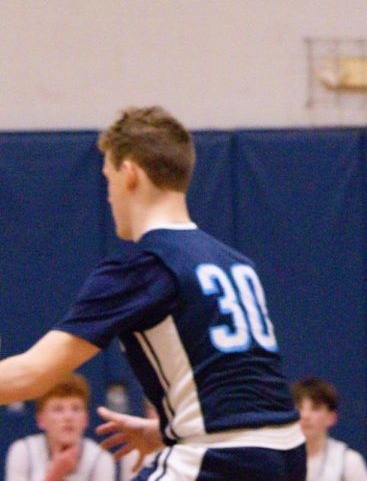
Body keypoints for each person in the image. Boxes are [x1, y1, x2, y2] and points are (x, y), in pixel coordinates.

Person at [0, 106, 305, 480]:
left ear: (129, 174)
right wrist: (167, 430)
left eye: (108, 180)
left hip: (219, 458)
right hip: (286, 452)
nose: (109, 197)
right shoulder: (234, 261)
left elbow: (31, 375)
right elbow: (241, 388)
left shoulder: (146, 266)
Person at [5, 374, 116, 481]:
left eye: (76, 409)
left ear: (85, 419)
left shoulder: (100, 459)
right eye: (58, 409)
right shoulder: (23, 452)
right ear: (40, 420)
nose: (68, 417)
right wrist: (55, 474)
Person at [291, 378, 367, 481]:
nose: (306, 415)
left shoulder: (348, 461)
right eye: (299, 408)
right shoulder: (278, 461)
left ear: (331, 417)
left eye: (315, 408)